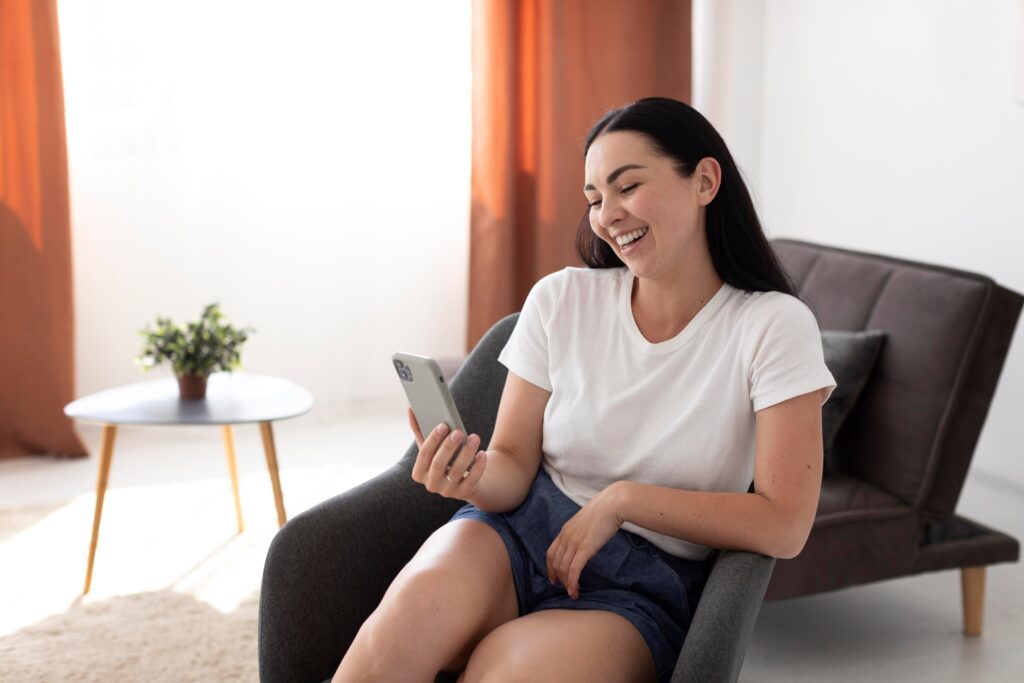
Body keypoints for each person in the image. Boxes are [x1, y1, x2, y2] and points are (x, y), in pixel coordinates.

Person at [333, 97, 836, 683]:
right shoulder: (561, 298)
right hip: (517, 531)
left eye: (627, 187)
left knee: (506, 672)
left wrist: (621, 501)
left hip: (643, 584)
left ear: (704, 181)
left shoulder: (773, 326)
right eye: (595, 199)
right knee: (404, 624)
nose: (607, 215)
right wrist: (469, 474)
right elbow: (515, 464)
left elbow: (785, 524)